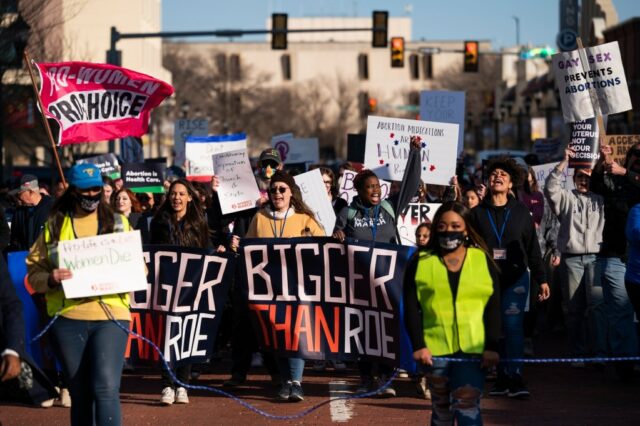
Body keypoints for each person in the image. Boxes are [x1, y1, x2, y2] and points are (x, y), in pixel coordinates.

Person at [26, 163, 134, 425]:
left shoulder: (119, 223)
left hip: (111, 316)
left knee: (106, 388)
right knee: (80, 393)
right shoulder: (54, 225)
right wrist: (50, 279)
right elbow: (33, 273)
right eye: (85, 190)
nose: (91, 195)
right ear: (73, 191)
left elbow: (137, 268)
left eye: (96, 189)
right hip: (67, 318)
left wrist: (125, 271)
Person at [333, 136, 422, 397]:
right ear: (359, 190)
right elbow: (335, 237)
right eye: (369, 187)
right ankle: (365, 377)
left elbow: (411, 183)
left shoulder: (389, 207)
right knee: (362, 329)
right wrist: (337, 235)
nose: (375, 190)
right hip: (358, 282)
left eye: (377, 187)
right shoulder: (348, 213)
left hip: (388, 281)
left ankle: (384, 378)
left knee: (386, 328)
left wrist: (414, 153)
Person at [405, 201, 500, 425]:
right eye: (443, 226)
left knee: (468, 407)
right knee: (442, 410)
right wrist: (418, 345)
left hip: (473, 351)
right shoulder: (420, 261)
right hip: (433, 351)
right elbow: (410, 306)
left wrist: (493, 347)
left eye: (456, 226)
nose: (450, 231)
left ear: (466, 229)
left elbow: (494, 306)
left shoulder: (482, 260)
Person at [471, 156, 549, 399]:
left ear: (511, 182)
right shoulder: (477, 214)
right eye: (494, 174)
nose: (497, 177)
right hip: (486, 279)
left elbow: (533, 248)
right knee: (496, 328)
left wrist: (542, 278)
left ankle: (515, 376)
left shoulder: (521, 212)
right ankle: (501, 378)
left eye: (503, 175)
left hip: (516, 277)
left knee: (514, 326)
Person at [245, 170, 324, 402]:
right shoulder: (259, 218)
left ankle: (297, 382)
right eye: (273, 190)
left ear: (291, 192)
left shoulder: (305, 219)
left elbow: (322, 247)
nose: (277, 193)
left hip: (298, 290)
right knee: (277, 335)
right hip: (268, 290)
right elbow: (248, 248)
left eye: (282, 189)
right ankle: (285, 381)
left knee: (296, 333)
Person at [150, 178, 212, 405]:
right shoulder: (158, 222)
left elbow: (206, 251)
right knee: (167, 335)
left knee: (186, 335)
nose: (176, 198)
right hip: (166, 287)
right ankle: (167, 384)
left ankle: (182, 385)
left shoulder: (198, 222)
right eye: (173, 194)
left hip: (190, 288)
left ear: (189, 197)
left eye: (181, 194)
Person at [544, 149, 606, 364]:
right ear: (574, 178)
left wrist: (605, 160)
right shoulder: (566, 198)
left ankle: (598, 352)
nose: (583, 181)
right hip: (571, 259)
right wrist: (564, 162)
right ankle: (577, 353)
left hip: (597, 259)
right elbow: (550, 188)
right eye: (579, 176)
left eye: (587, 177)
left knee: (597, 308)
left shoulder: (601, 198)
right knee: (573, 308)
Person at [590, 142, 640, 379]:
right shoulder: (617, 181)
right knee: (621, 310)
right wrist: (603, 162)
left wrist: (627, 173)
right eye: (635, 155)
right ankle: (626, 364)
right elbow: (596, 185)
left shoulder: (627, 176)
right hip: (617, 257)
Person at [8, 174, 54, 251]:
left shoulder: (53, 208)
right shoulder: (18, 212)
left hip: (47, 260)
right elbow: (14, 241)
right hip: (24, 260)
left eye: (19, 194)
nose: (17, 197)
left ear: (30, 192)